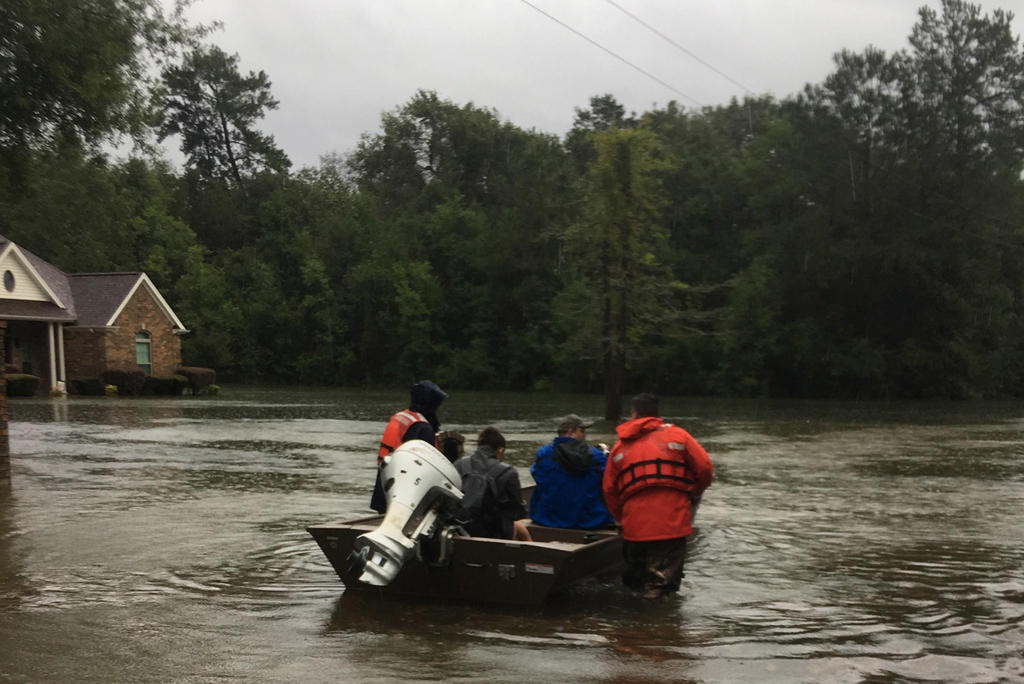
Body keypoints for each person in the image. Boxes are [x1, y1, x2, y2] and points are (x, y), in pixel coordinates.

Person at [602, 393, 713, 599]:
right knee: (661, 589)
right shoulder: (679, 436)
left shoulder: (619, 447)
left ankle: (632, 625)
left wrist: (620, 519)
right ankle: (661, 626)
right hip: (671, 525)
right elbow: (705, 468)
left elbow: (609, 490)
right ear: (657, 413)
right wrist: (695, 492)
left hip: (634, 528)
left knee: (634, 585)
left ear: (633, 414)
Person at [371, 379, 447, 513]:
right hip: (402, 494)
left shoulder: (401, 416)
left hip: (383, 484)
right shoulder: (423, 428)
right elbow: (425, 468)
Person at [530, 414, 614, 529]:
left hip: (548, 519)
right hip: (590, 520)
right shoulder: (597, 456)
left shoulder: (544, 454)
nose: (585, 435)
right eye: (582, 430)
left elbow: (536, 474)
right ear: (571, 432)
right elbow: (611, 482)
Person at [453, 426, 532, 541]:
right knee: (518, 526)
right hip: (493, 535)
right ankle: (531, 557)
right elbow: (518, 513)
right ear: (500, 450)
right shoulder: (508, 472)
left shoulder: (459, 465)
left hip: (460, 528)